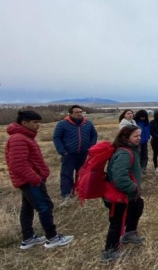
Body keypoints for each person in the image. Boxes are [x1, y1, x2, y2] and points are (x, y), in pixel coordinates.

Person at [6, 111, 74, 250]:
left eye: (38, 122)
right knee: (44, 207)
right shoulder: (19, 138)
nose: (38, 125)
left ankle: (28, 238)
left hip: (30, 180)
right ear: (24, 123)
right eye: (34, 122)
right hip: (30, 181)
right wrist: (36, 179)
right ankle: (53, 238)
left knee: (28, 208)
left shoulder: (25, 136)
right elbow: (18, 164)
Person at [102, 125, 144, 262]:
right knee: (117, 222)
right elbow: (120, 177)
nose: (139, 138)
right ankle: (110, 251)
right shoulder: (124, 153)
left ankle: (129, 234)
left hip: (129, 195)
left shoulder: (130, 150)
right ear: (126, 138)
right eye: (135, 136)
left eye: (139, 135)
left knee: (137, 206)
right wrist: (134, 188)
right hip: (119, 196)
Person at [53, 104, 98, 202]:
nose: (79, 114)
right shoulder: (62, 124)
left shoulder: (88, 123)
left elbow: (94, 135)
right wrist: (62, 151)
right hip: (68, 154)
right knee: (66, 174)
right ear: (70, 114)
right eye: (77, 112)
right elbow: (56, 137)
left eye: (81, 112)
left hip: (83, 153)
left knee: (82, 173)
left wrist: (91, 147)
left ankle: (80, 190)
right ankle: (66, 194)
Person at [134, 110, 151, 174]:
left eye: (144, 116)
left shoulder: (146, 123)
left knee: (144, 156)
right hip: (137, 142)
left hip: (145, 142)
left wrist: (148, 137)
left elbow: (149, 130)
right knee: (137, 156)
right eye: (142, 116)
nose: (143, 118)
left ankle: (143, 169)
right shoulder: (135, 123)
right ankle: (137, 170)